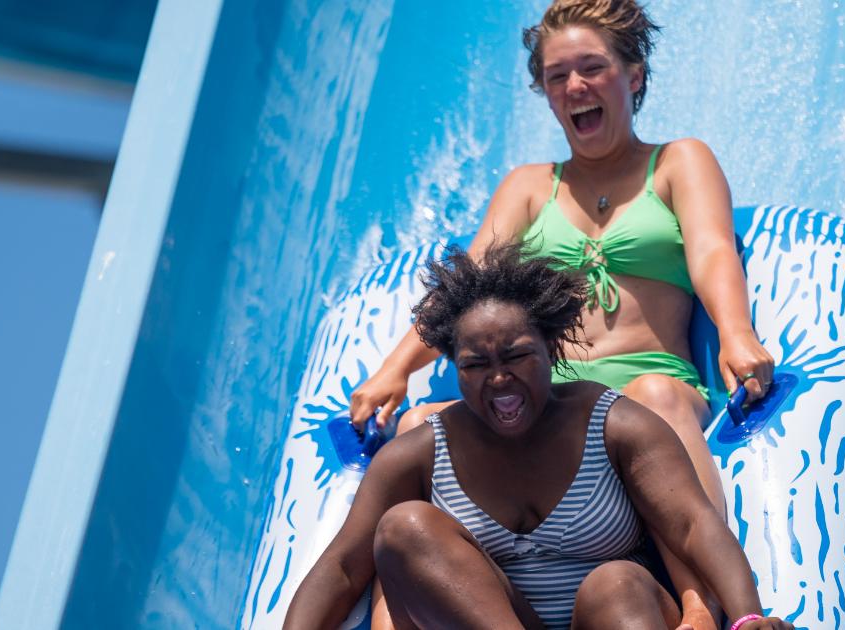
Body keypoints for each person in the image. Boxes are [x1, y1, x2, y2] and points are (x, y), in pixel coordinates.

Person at [348, 1, 774, 627]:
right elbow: (465, 293)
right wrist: (393, 371)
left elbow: (712, 252)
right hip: (548, 395)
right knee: (418, 426)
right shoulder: (529, 186)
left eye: (593, 67)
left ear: (633, 74)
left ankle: (698, 606)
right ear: (545, 93)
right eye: (557, 75)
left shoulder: (679, 162)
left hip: (647, 382)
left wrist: (737, 334)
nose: (576, 86)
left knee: (655, 394)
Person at [286, 243, 790, 630]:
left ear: (551, 345)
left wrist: (747, 619)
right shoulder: (420, 454)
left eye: (517, 355)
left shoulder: (614, 425)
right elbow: (343, 569)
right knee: (404, 528)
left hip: (615, 617)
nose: (499, 378)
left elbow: (693, 527)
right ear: (454, 368)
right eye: (476, 365)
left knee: (615, 583)